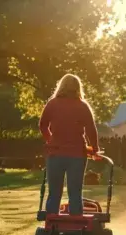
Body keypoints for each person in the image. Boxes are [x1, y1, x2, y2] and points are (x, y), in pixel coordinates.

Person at [39, 73, 100, 216]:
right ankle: (76, 226)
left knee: (54, 192)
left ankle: (51, 225)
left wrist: (50, 139)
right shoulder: (82, 106)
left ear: (61, 86)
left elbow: (42, 125)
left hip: (55, 154)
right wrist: (95, 149)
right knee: (75, 192)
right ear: (78, 88)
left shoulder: (52, 104)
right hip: (77, 154)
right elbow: (91, 129)